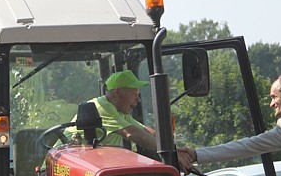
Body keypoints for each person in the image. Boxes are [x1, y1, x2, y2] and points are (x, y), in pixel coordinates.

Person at [63, 70, 195, 168]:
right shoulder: (101, 107)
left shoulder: (120, 112)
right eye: (135, 94)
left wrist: (174, 149)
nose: (138, 100)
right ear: (119, 92)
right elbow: (132, 133)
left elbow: (145, 131)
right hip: (63, 168)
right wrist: (172, 154)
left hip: (88, 167)